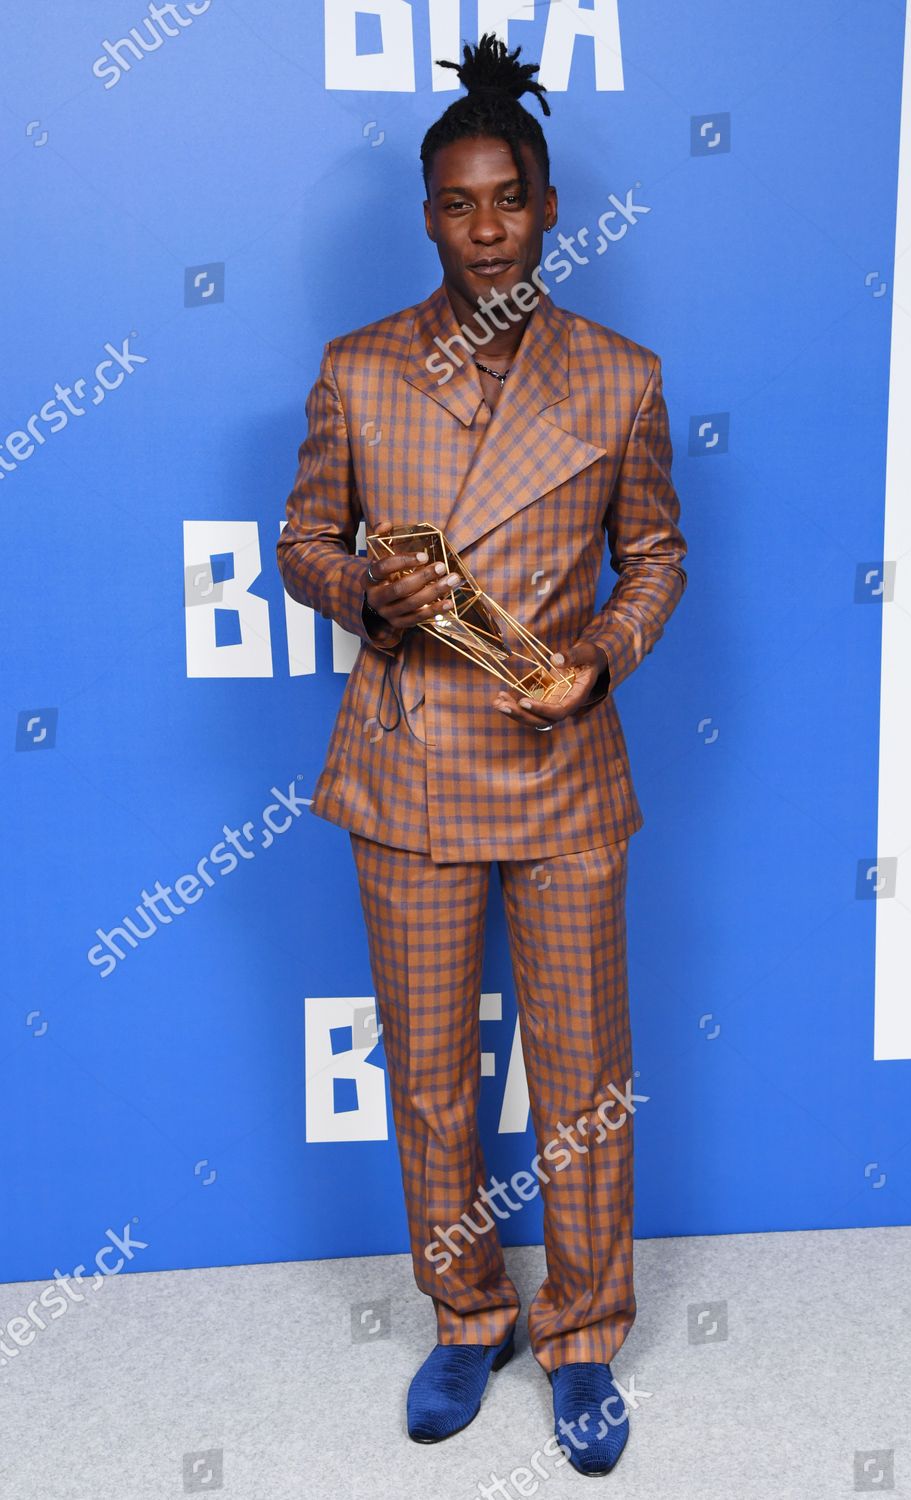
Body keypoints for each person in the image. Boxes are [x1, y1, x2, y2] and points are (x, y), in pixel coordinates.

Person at [276, 31, 687, 1477]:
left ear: (550, 207)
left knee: (582, 1073)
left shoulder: (620, 378)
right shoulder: (358, 370)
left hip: (563, 761)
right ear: (431, 216)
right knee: (436, 1074)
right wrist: (359, 593)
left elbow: (654, 558)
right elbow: (300, 543)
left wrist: (602, 659)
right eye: (457, 204)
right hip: (406, 769)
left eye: (508, 198)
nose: (484, 225)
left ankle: (581, 1336)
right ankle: (468, 1314)